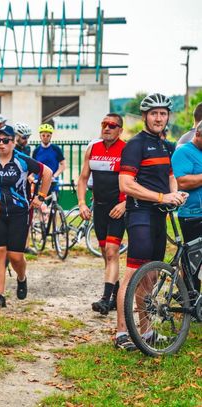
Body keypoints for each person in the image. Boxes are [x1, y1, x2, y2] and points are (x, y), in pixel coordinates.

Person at [116, 93, 187, 351]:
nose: (159, 118)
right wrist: (161, 196)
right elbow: (125, 184)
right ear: (145, 116)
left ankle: (145, 332)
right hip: (140, 214)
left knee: (152, 275)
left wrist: (175, 194)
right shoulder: (135, 145)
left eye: (163, 113)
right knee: (133, 273)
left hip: (159, 215)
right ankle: (121, 333)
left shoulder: (166, 145)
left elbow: (170, 176)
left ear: (168, 116)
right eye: (154, 113)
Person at [0, 125, 52, 310]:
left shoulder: (22, 160)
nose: (1, 144)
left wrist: (40, 197)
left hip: (19, 213)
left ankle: (21, 278)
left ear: (13, 141)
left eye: (5, 140)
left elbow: (47, 172)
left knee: (15, 256)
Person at [77, 113, 126, 316]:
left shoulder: (126, 150)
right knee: (106, 254)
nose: (107, 128)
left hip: (118, 209)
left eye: (112, 125)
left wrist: (125, 204)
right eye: (104, 124)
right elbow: (83, 178)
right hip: (99, 208)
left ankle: (105, 300)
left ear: (120, 130)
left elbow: (136, 181)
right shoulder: (93, 148)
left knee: (113, 252)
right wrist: (81, 203)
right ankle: (115, 295)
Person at [172, 121, 202, 292]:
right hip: (192, 215)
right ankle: (189, 297)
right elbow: (181, 182)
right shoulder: (183, 152)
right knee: (192, 263)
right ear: (197, 134)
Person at [32, 123, 66, 190]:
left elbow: (63, 165)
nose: (45, 137)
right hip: (40, 182)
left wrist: (54, 176)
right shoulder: (36, 150)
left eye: (48, 135)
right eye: (43, 135)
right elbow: (33, 166)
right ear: (40, 136)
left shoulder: (56, 149)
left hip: (53, 182)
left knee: (54, 196)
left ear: (51, 136)